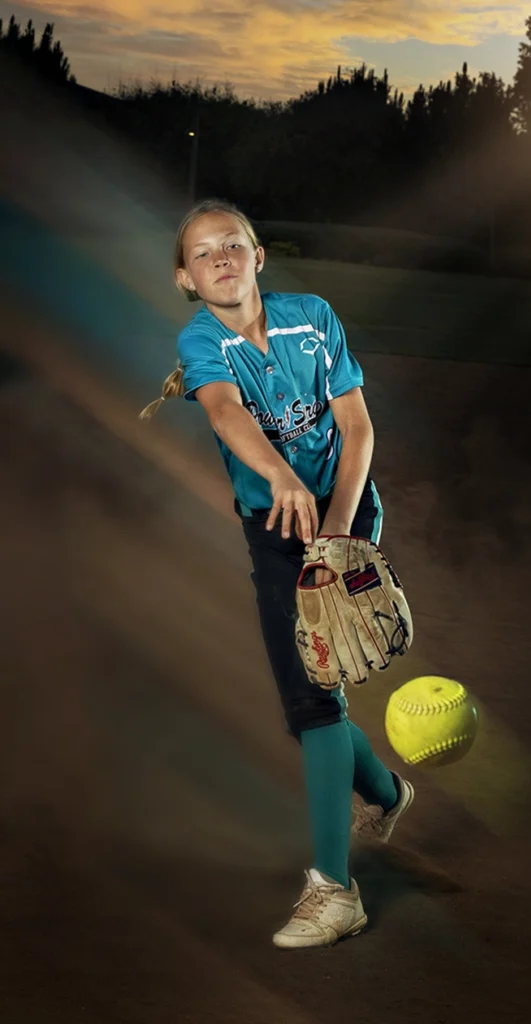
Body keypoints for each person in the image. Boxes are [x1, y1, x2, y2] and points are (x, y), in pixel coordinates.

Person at [141, 198, 414, 949]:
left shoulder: (312, 317)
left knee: (312, 700)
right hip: (273, 527)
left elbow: (355, 425)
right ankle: (387, 795)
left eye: (234, 244)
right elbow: (227, 415)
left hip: (345, 515)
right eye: (204, 253)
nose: (222, 258)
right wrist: (280, 478)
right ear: (186, 278)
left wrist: (335, 532)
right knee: (313, 690)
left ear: (259, 256)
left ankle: (334, 891)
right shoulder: (202, 341)